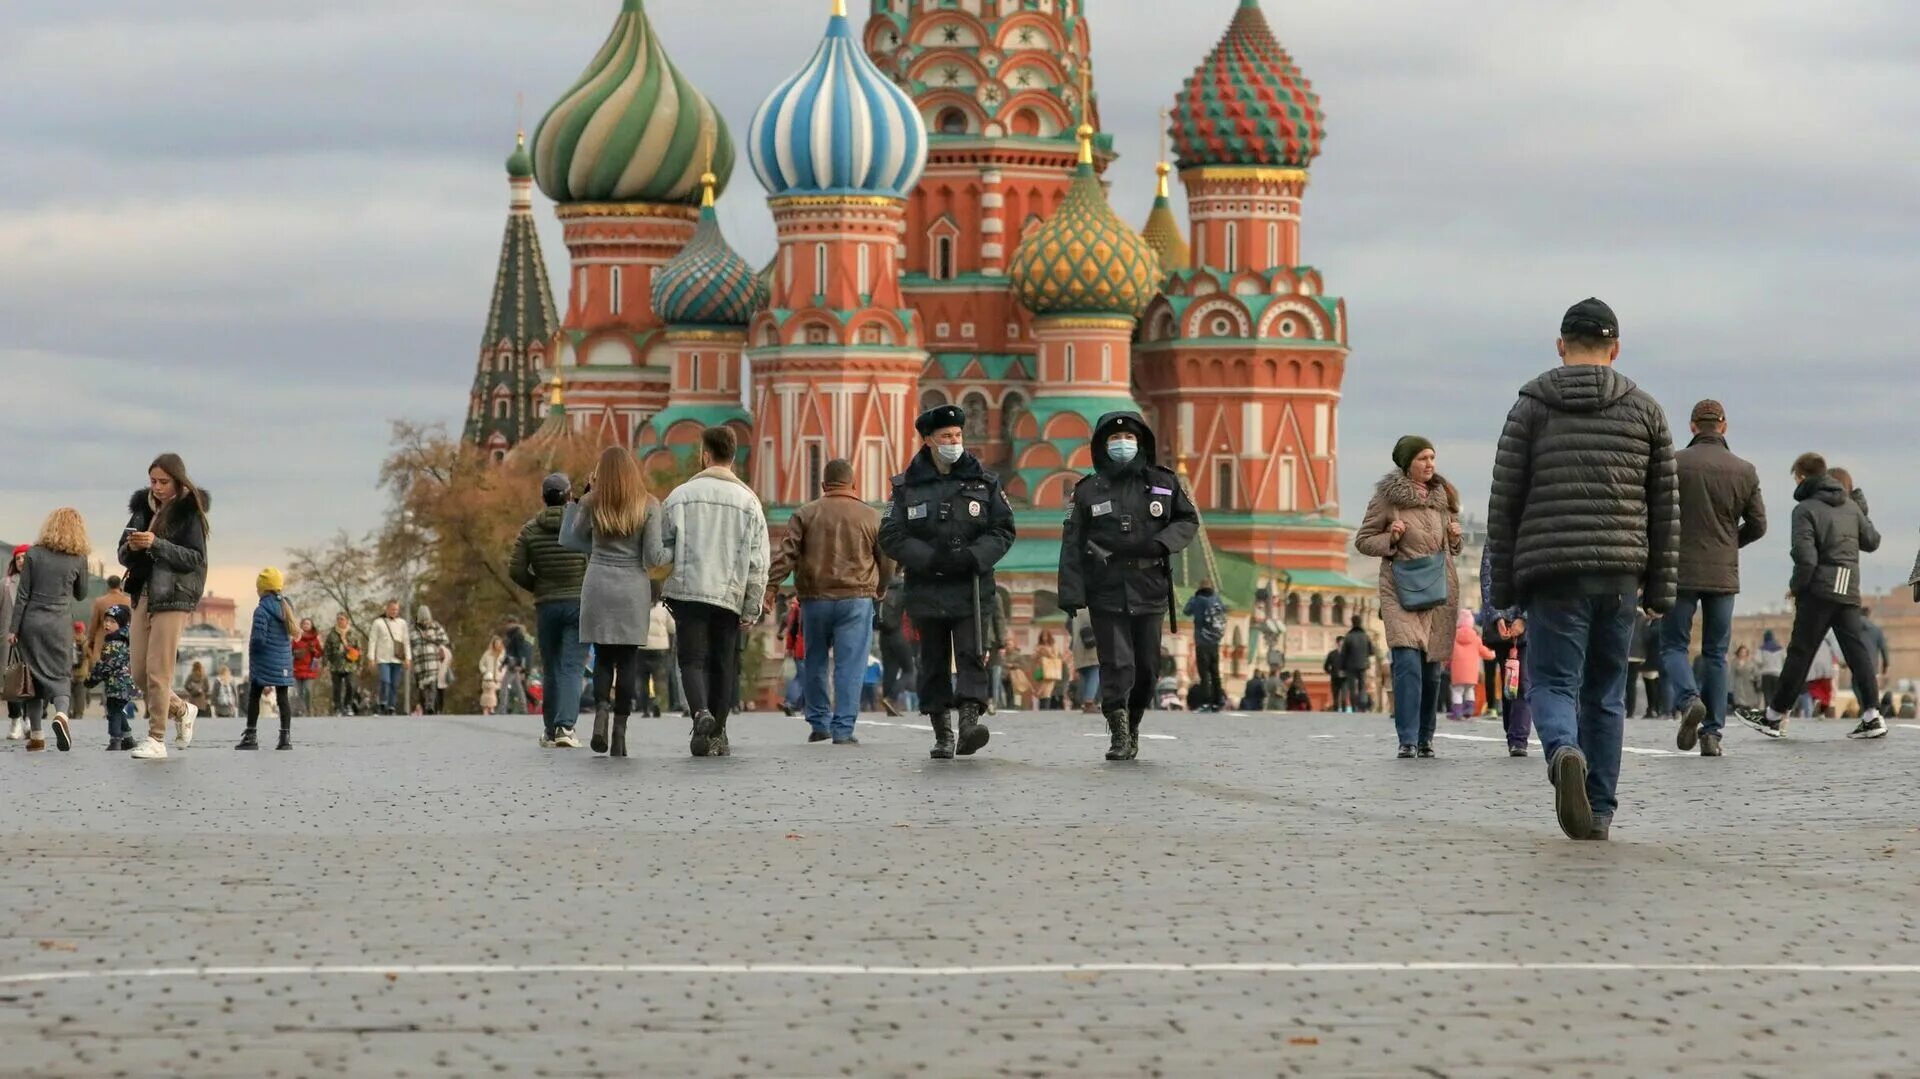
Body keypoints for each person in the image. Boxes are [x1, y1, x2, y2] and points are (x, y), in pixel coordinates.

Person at [1487, 298, 1678, 842]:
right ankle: (1599, 810)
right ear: (1615, 349)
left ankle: (1563, 751)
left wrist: (1504, 587)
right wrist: (1660, 588)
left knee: (1551, 681)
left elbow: (1505, 503)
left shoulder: (1529, 407)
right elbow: (1665, 505)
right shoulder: (1646, 409)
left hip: (1551, 572)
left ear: (1560, 346)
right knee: (1606, 690)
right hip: (1620, 573)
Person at [1055, 412, 1199, 759]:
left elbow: (1187, 519)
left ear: (1141, 443)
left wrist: (1163, 543)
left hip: (1149, 585)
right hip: (1106, 585)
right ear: (1103, 446)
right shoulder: (1088, 490)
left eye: (1130, 439)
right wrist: (1071, 593)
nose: (1123, 445)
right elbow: (1072, 542)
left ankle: (1133, 721)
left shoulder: (1163, 483)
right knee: (1117, 662)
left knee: (1147, 669)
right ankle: (1118, 731)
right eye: (1115, 440)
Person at [876, 406, 1016, 759]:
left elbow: (1003, 529)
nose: (954, 442)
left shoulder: (984, 482)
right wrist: (928, 558)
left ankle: (970, 722)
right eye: (946, 437)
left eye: (957, 435)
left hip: (971, 584)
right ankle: (941, 730)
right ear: (928, 441)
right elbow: (890, 534)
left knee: (971, 654)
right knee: (933, 660)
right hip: (927, 586)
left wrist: (974, 556)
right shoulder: (905, 487)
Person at [1736, 454, 1887, 739]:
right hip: (1848, 589)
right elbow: (1872, 541)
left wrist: (1796, 587)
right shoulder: (1851, 508)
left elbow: (1806, 557)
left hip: (1818, 590)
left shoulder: (1805, 509)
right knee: (1858, 655)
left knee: (1800, 654)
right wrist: (1859, 506)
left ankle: (1773, 715)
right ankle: (1873, 714)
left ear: (1802, 476)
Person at [648, 426, 770, 758]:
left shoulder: (679, 496)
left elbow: (662, 553)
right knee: (723, 663)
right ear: (733, 457)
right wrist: (751, 607)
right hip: (729, 595)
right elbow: (758, 562)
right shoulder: (749, 502)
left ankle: (700, 711)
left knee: (691, 658)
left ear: (705, 455)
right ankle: (717, 733)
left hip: (689, 592)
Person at [1660, 400, 1765, 757]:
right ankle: (1712, 734)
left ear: (1692, 426)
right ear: (1723, 426)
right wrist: (1730, 542)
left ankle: (1689, 698)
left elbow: (1655, 515)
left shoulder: (1674, 463)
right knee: (1717, 654)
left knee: (1673, 645)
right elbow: (1759, 525)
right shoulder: (1745, 470)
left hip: (1679, 569)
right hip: (1723, 572)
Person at [765, 458, 893, 746]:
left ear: (824, 485)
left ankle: (819, 724)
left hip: (815, 600)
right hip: (857, 599)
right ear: (854, 484)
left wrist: (772, 586)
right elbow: (888, 559)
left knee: (815, 662)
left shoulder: (805, 513)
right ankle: (843, 729)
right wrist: (881, 588)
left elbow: (786, 555)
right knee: (850, 665)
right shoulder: (871, 516)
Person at [1355, 436, 1462, 760]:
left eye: (1432, 458)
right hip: (1399, 590)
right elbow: (1363, 540)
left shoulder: (1443, 499)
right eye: (1423, 459)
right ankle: (1407, 739)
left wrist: (1454, 539)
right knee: (1406, 664)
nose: (1430, 464)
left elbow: (1450, 550)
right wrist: (1392, 537)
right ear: (1407, 464)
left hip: (1437, 591)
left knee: (1431, 670)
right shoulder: (1388, 500)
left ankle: (1426, 737)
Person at [562, 446, 664, 756]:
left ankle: (601, 713)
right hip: (632, 587)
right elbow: (653, 557)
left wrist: (581, 499)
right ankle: (619, 732)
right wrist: (678, 552)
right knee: (628, 660)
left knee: (604, 657)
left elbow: (570, 539)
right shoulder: (648, 505)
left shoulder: (594, 502)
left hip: (598, 585)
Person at [119, 453, 211, 758]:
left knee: (159, 670)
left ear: (177, 481)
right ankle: (183, 710)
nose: (156, 487)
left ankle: (156, 738)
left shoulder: (189, 513)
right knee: (139, 673)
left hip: (173, 595)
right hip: (141, 593)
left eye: (163, 481)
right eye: (153, 481)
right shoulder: (141, 509)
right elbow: (122, 552)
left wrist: (156, 544)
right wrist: (132, 547)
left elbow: (194, 558)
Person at [510, 472, 591, 745]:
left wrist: (538, 586)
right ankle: (565, 727)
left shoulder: (530, 529)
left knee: (552, 667)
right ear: (569, 495)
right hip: (578, 603)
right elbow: (594, 559)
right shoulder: (581, 526)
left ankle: (548, 729)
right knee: (572, 666)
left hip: (546, 605)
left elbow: (516, 569)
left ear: (543, 498)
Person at [6, 509, 91, 752]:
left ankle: (36, 736)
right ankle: (62, 715)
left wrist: (14, 629)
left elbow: (23, 595)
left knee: (33, 678)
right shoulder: (79, 557)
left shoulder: (34, 553)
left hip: (32, 622)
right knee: (60, 674)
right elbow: (81, 593)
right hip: (59, 623)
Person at [1479, 546, 1532, 756]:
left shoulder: (1533, 528)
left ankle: (1518, 737)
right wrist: (1498, 617)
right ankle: (1513, 733)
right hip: (1501, 626)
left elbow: (1536, 579)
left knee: (1523, 681)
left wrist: (1523, 618)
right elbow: (1487, 578)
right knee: (1510, 678)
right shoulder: (1495, 536)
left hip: (1527, 623)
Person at [240, 567, 298, 750]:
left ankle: (251, 736)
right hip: (283, 661)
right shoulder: (286, 607)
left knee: (254, 695)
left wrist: (254, 650)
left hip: (263, 661)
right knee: (283, 698)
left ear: (263, 589)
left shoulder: (261, 610)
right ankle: (285, 738)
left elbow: (259, 638)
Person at [86, 604, 139, 751]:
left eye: (112, 621)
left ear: (121, 624)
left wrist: (92, 680)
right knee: (117, 709)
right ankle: (128, 738)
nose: (107, 624)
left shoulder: (113, 643)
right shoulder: (126, 640)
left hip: (117, 684)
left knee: (113, 711)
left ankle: (115, 739)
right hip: (128, 684)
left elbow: (105, 665)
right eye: (106, 620)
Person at [1184, 582, 1228, 713]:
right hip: (1215, 643)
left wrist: (1193, 598)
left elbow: (1186, 611)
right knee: (1215, 674)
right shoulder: (1217, 600)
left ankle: (1205, 702)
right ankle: (1218, 701)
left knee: (1204, 674)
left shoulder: (1198, 600)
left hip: (1202, 643)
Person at [1449, 610, 1493, 720]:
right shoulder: (1476, 638)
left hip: (1457, 671)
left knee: (1457, 691)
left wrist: (1444, 663)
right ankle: (1468, 710)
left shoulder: (1453, 638)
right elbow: (1484, 652)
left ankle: (1457, 712)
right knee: (1470, 689)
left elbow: (1448, 653)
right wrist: (1492, 654)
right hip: (1472, 672)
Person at [368, 601, 409, 716]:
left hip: (397, 658)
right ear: (387, 609)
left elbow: (406, 641)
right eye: (392, 609)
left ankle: (391, 706)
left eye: (396, 609)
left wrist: (408, 658)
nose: (394, 611)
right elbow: (373, 640)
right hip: (383, 658)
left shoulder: (402, 623)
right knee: (385, 681)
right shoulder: (378, 623)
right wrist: (371, 658)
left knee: (394, 683)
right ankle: (382, 702)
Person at [84, 575, 132, 673]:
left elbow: (94, 625)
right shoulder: (128, 601)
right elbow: (132, 624)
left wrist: (90, 642)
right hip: (123, 644)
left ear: (108, 585)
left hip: (103, 644)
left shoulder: (100, 601)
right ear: (120, 585)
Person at [409, 606, 451, 716]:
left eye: (427, 619)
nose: (425, 622)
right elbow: (408, 645)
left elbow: (445, 640)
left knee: (433, 684)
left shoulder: (435, 627)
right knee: (423, 687)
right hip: (420, 663)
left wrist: (430, 638)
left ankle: (430, 705)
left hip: (433, 661)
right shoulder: (412, 630)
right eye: (423, 619)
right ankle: (425, 706)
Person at [324, 612, 365, 716]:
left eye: (342, 619)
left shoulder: (353, 634)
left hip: (350, 665)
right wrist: (325, 664)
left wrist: (360, 665)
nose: (340, 621)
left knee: (351, 685)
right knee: (336, 688)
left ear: (347, 621)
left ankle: (348, 705)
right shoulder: (332, 634)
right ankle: (337, 707)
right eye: (338, 619)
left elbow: (359, 651)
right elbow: (326, 650)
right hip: (336, 665)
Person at [2, 546, 24, 740]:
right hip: (10, 640)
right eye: (18, 558)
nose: (22, 561)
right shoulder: (6, 584)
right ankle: (16, 720)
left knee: (33, 680)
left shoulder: (41, 584)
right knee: (12, 681)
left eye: (25, 557)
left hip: (34, 639)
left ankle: (31, 720)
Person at [637, 603, 673, 719]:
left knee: (642, 679)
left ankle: (645, 708)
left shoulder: (640, 604)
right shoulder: (664, 606)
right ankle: (658, 702)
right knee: (660, 679)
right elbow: (672, 627)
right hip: (660, 647)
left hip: (641, 646)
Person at [1335, 616, 1376, 714]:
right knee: (1362, 687)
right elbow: (1372, 651)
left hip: (1351, 666)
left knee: (1352, 687)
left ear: (1352, 623)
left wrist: (1341, 667)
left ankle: (1353, 708)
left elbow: (1343, 654)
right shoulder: (1365, 636)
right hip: (1363, 665)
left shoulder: (1349, 637)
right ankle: (1362, 706)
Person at [499, 616, 534, 717]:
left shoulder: (518, 635)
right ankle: (524, 709)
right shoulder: (511, 635)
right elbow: (509, 652)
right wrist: (503, 664)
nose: (506, 626)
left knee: (504, 686)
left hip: (514, 664)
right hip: (511, 662)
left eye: (507, 623)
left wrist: (520, 665)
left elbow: (520, 651)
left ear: (512, 623)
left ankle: (502, 709)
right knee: (518, 688)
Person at [291, 618, 324, 718]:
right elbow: (290, 651)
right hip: (297, 669)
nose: (305, 625)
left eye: (308, 624)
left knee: (307, 690)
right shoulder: (296, 639)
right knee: (298, 692)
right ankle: (301, 710)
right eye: (304, 624)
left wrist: (314, 650)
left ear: (311, 626)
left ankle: (308, 709)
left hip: (310, 669)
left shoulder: (315, 639)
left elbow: (320, 654)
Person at [1069, 612, 1101, 714]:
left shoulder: (1074, 609)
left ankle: (1086, 701)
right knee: (1095, 672)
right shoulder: (1090, 608)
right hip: (1089, 645)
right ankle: (1089, 702)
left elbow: (1068, 625)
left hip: (1077, 645)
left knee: (1086, 675)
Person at [1031, 632, 1062, 710]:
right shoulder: (1038, 646)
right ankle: (1042, 707)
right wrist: (1038, 652)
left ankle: (1045, 708)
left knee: (1047, 691)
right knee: (1040, 690)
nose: (1044, 638)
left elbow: (1055, 657)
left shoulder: (1053, 646)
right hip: (1040, 670)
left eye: (1046, 636)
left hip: (1050, 670)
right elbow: (1033, 658)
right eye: (1043, 637)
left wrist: (1048, 652)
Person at [478, 636, 506, 716]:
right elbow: (481, 664)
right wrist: (485, 672)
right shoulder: (488, 653)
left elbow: (504, 666)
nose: (497, 645)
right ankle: (487, 709)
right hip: (488, 677)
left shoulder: (502, 654)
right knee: (488, 693)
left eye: (499, 643)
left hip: (498, 678)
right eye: (496, 643)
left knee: (494, 693)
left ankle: (492, 708)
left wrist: (502, 674)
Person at [1730, 644, 1762, 712]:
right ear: (1738, 653)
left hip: (1748, 685)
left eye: (1744, 652)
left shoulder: (1750, 662)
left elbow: (1756, 672)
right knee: (1739, 702)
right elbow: (1731, 674)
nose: (1743, 654)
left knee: (1749, 703)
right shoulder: (1734, 662)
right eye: (1741, 652)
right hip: (1738, 685)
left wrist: (1754, 678)